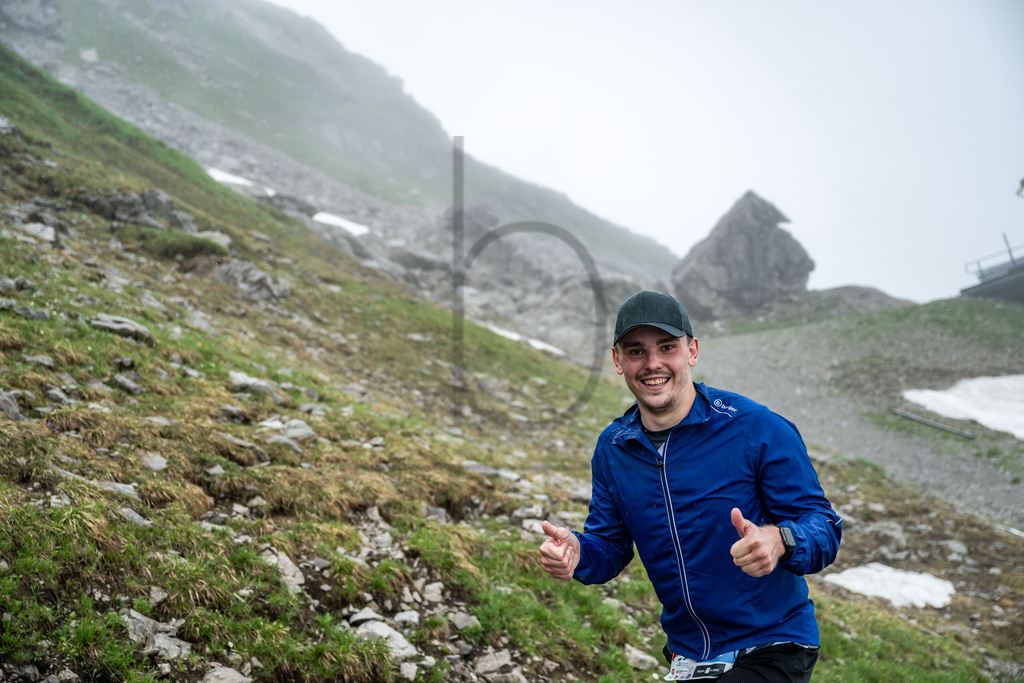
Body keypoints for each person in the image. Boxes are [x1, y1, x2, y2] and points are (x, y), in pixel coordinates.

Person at [539, 290, 842, 682]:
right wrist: (579, 552)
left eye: (667, 347)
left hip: (773, 644)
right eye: (636, 351)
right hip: (688, 656)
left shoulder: (756, 428)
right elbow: (611, 544)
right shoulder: (613, 448)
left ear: (692, 351)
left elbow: (823, 524)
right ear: (618, 360)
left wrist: (779, 539)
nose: (653, 364)